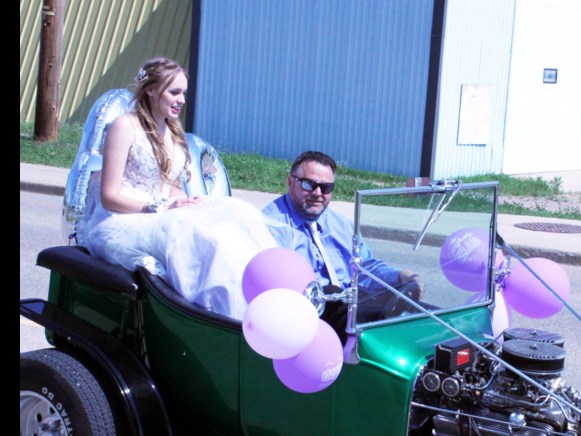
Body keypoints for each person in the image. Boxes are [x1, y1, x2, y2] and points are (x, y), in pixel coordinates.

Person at [79, 57, 285, 320]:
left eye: (183, 93)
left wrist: (187, 202)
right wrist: (161, 207)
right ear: (151, 89)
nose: (182, 100)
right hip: (123, 219)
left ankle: (251, 305)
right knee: (197, 238)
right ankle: (212, 315)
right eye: (174, 92)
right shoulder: (125, 126)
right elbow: (108, 197)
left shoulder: (173, 129)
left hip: (163, 212)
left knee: (233, 221)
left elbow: (172, 186)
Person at [262, 151, 423, 323]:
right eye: (309, 184)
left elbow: (363, 269)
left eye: (326, 187)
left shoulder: (341, 225)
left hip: (349, 306)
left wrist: (401, 276)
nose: (317, 193)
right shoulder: (272, 226)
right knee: (337, 295)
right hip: (307, 316)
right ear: (290, 182)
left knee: (423, 317)